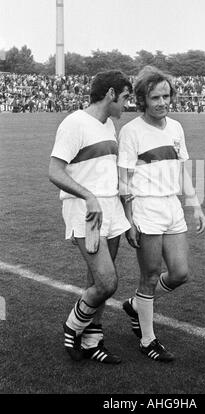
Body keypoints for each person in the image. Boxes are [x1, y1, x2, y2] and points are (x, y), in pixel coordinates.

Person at [118, 66, 205, 362]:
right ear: (142, 99)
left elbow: (182, 170)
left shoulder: (176, 128)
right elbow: (124, 179)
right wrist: (129, 219)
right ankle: (147, 340)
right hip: (145, 207)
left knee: (180, 272)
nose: (162, 102)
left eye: (166, 96)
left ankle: (134, 304)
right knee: (151, 276)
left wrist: (195, 204)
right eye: (155, 97)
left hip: (172, 207)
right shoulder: (131, 131)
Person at [49, 70, 132, 364]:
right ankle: (73, 325)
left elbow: (109, 173)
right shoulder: (74, 123)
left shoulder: (109, 125)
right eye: (124, 98)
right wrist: (89, 197)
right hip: (87, 211)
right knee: (108, 283)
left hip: (111, 210)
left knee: (95, 279)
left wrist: (125, 215)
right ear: (110, 94)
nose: (126, 105)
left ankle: (92, 340)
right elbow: (55, 171)